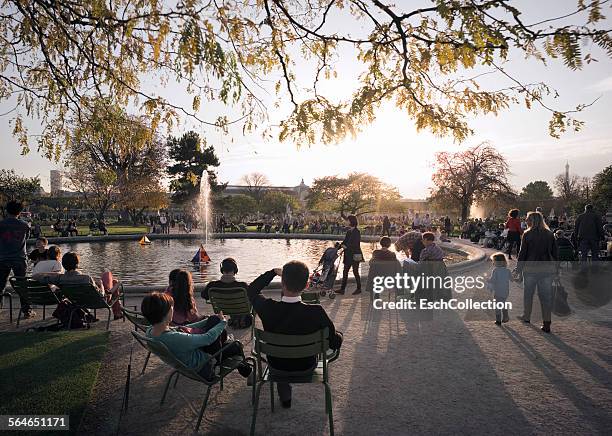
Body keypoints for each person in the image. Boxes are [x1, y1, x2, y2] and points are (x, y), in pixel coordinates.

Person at [247, 261, 343, 408]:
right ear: (306, 286)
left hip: (276, 367)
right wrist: (339, 336)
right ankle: (285, 396)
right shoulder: (316, 312)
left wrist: (273, 272)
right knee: (328, 337)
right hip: (306, 367)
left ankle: (285, 398)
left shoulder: (268, 308)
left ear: (282, 284)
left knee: (282, 354)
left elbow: (252, 290)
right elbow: (335, 343)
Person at [142, 292, 252, 381]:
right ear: (165, 313)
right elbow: (207, 338)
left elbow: (184, 328)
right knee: (236, 346)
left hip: (186, 365)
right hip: (205, 367)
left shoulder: (151, 331)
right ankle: (248, 372)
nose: (173, 310)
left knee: (214, 321)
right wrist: (223, 322)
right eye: (171, 308)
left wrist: (207, 321)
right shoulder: (175, 338)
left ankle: (230, 346)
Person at [33, 252, 124, 319]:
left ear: (64, 265)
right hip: (99, 301)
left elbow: (36, 276)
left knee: (114, 281)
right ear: (77, 264)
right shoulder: (86, 278)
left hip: (78, 301)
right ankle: (117, 314)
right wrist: (100, 284)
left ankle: (118, 313)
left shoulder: (59, 279)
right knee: (110, 276)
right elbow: (102, 295)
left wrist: (56, 274)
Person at [516, 211, 558, 333]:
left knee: (528, 294)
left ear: (532, 221)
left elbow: (522, 253)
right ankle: (546, 323)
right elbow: (555, 254)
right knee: (545, 297)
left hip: (530, 269)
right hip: (546, 269)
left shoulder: (527, 234)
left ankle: (527, 316)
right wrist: (556, 270)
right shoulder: (550, 234)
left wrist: (518, 269)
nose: (526, 221)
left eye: (527, 219)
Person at [0, 200, 33, 318]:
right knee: (22, 285)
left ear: (7, 211)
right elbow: (27, 238)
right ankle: (27, 311)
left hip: (3, 257)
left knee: (1, 284)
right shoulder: (24, 225)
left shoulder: (1, 225)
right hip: (19, 258)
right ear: (19, 212)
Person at [201, 258, 251, 329]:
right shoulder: (243, 286)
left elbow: (204, 296)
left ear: (222, 270)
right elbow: (253, 296)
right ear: (235, 270)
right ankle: (240, 318)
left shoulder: (212, 285)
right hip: (240, 308)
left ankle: (235, 319)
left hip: (222, 309)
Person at [336, 215, 362, 295]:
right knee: (345, 271)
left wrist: (345, 247)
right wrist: (338, 246)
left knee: (355, 271)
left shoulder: (357, 232)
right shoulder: (349, 231)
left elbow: (355, 244)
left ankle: (359, 288)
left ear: (351, 221)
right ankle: (342, 289)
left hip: (355, 255)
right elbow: (345, 242)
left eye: (347, 220)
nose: (346, 222)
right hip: (348, 254)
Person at [488, 253, 511, 325]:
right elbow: (512, 279)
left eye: (493, 261)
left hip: (498, 291)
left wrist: (487, 280)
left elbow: (493, 280)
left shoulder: (495, 270)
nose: (493, 262)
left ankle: (498, 320)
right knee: (503, 303)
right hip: (506, 291)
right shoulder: (508, 270)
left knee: (497, 305)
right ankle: (505, 316)